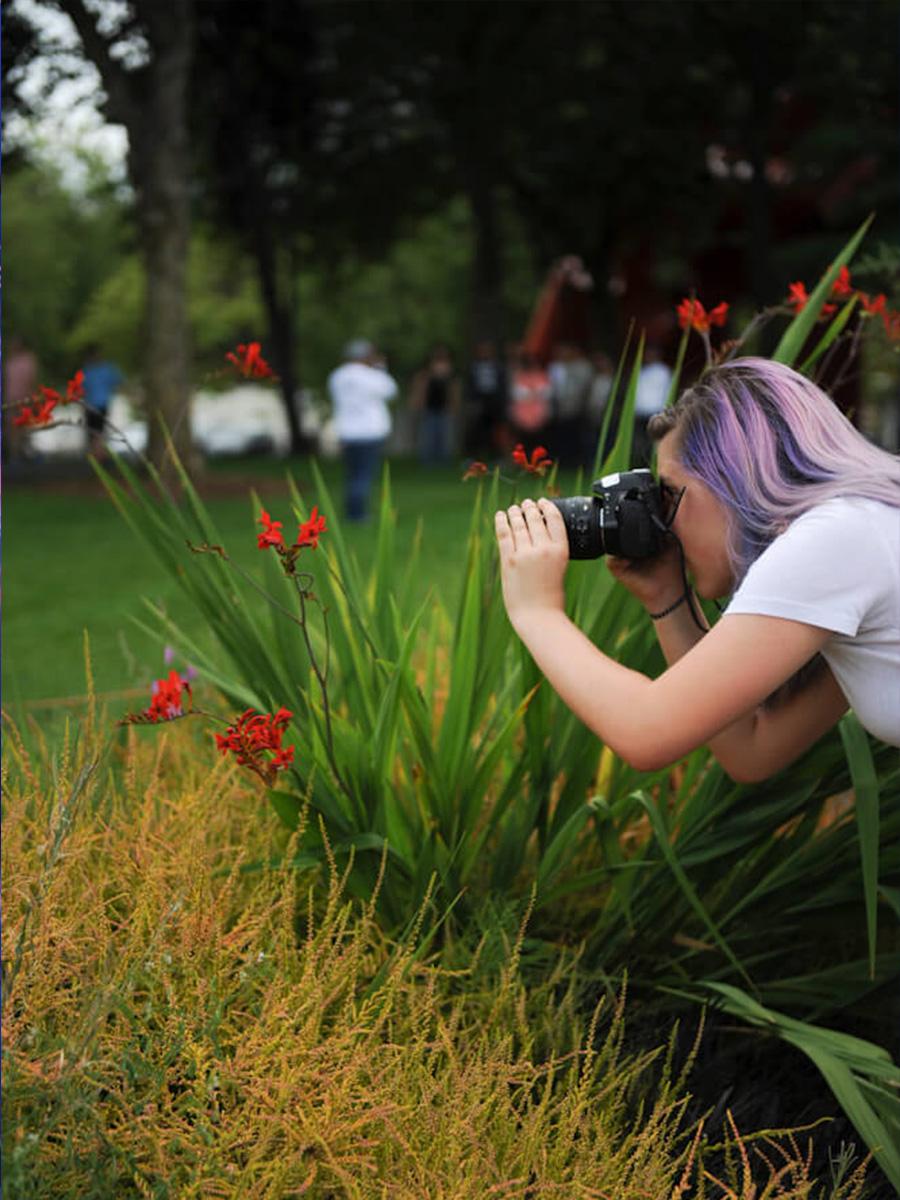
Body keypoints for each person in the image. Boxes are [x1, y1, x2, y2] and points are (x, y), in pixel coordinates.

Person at [495, 357, 900, 783]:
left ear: (734, 478)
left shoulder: (837, 539)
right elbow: (752, 750)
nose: (662, 520)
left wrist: (537, 611)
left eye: (670, 493)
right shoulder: (864, 529)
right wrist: (669, 600)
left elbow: (646, 732)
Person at [328, 339, 398, 522]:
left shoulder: (337, 376)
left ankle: (352, 510)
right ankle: (358, 514)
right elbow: (391, 391)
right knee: (363, 474)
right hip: (369, 431)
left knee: (352, 474)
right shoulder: (371, 376)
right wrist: (381, 369)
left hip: (347, 431)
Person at [410, 344, 461, 465]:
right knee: (428, 435)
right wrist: (417, 403)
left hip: (444, 408)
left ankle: (443, 460)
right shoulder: (426, 373)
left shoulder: (450, 373)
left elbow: (454, 389)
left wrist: (454, 404)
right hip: (429, 408)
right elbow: (419, 388)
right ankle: (427, 460)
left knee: (444, 435)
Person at [464, 339, 508, 460]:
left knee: (495, 432)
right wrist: (471, 401)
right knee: (476, 431)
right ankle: (474, 457)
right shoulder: (473, 367)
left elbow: (503, 385)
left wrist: (502, 402)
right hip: (479, 402)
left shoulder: (498, 366)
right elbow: (469, 386)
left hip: (494, 402)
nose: (485, 353)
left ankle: (497, 456)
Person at [632, 344, 673, 467]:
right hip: (641, 412)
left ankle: (653, 464)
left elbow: (666, 392)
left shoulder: (663, 372)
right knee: (640, 442)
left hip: (655, 411)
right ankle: (641, 464)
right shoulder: (642, 372)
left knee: (653, 442)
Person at [81, 343, 124, 457]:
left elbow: (119, 381)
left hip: (101, 404)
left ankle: (98, 454)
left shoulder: (104, 369)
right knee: (94, 430)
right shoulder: (88, 370)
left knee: (98, 429)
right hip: (90, 405)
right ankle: (98, 453)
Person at [2, 336, 39, 462]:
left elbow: (31, 380)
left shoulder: (28, 359)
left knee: (24, 427)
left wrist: (33, 398)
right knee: (12, 428)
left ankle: (24, 455)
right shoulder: (10, 361)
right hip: (11, 399)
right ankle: (15, 456)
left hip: (25, 398)